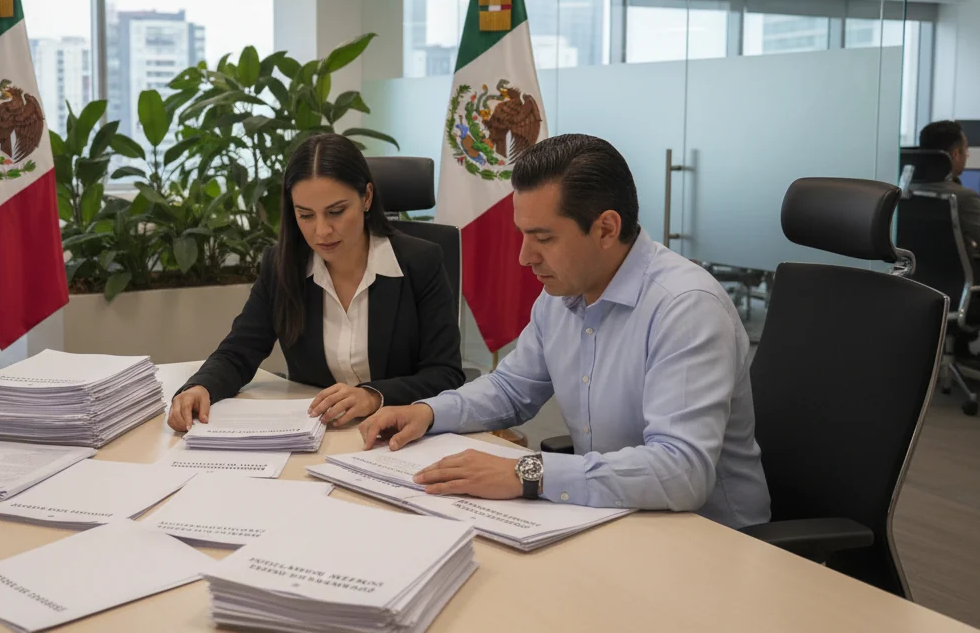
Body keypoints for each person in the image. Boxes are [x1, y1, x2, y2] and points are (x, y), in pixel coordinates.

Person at [358, 134, 771, 530]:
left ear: (607, 229)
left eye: (544, 238)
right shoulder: (561, 295)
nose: (524, 257)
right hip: (616, 515)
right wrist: (429, 412)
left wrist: (527, 472)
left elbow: (682, 471)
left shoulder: (685, 307)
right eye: (523, 235)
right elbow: (510, 390)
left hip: (712, 541)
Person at [168, 133, 465, 432]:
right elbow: (239, 352)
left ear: (367, 197)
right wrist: (201, 388)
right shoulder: (282, 265)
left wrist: (372, 396)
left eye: (336, 212)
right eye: (305, 215)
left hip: (396, 434)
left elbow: (445, 373)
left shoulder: (420, 262)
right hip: (314, 434)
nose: (322, 231)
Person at [917, 120, 980, 254]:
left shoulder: (904, 190)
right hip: (956, 274)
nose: (967, 155)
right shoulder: (964, 197)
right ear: (956, 154)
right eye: (966, 149)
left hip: (909, 273)